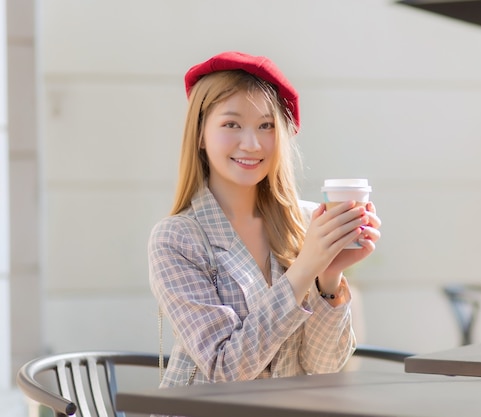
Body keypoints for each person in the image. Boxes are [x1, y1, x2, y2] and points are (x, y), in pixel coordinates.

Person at [148, 51, 381, 387]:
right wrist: (305, 269)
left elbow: (324, 365)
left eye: (266, 126)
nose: (252, 143)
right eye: (231, 124)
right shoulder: (177, 239)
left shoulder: (305, 221)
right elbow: (225, 369)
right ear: (200, 134)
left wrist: (329, 274)